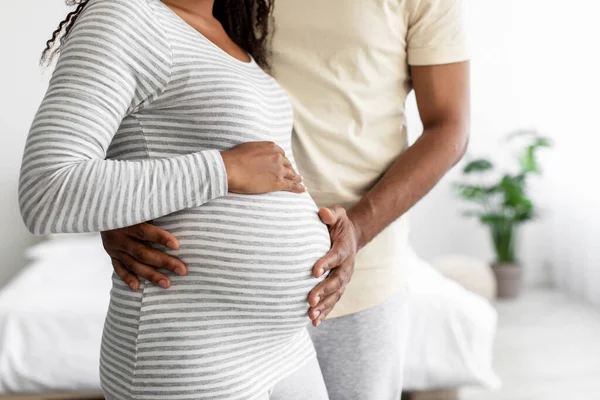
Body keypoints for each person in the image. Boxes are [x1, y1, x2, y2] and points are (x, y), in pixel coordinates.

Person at [37, 0, 471, 399]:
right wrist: (209, 174)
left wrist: (355, 230)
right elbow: (52, 185)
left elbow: (449, 126)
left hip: (306, 320)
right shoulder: (127, 17)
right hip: (194, 339)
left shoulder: (225, 26)